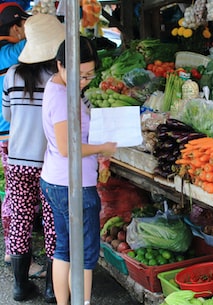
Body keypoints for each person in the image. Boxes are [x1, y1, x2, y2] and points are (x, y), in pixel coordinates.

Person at [40, 36, 117, 305]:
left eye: (88, 76)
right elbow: (67, 147)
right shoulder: (62, 97)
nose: (83, 82)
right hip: (72, 185)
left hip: (56, 180)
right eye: (79, 75)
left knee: (64, 249)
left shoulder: (56, 85)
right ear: (60, 65)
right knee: (84, 253)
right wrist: (102, 146)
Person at [2, 13, 65, 302]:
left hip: (17, 161)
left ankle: (19, 287)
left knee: (20, 219)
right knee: (53, 221)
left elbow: (8, 116)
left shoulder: (11, 75)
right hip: (50, 162)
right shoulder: (58, 78)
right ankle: (53, 289)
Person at [0, 0, 27, 266]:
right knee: (16, 198)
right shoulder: (12, 50)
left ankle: (13, 249)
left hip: (3, 133)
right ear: (16, 26)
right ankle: (15, 253)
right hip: (9, 134)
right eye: (24, 24)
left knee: (13, 195)